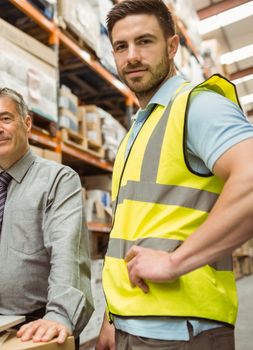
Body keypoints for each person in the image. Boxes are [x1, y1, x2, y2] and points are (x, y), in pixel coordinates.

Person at [96, 1, 253, 349]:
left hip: (182, 332)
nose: (132, 56)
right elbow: (135, 229)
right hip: (133, 325)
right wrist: (112, 316)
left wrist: (175, 262)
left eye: (145, 41)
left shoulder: (198, 106)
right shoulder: (140, 127)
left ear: (172, 46)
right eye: (122, 46)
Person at [0, 87, 94, 347]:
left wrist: (59, 315)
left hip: (36, 326)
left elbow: (67, 253)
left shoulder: (58, 180)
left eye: (5, 118)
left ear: (27, 123)